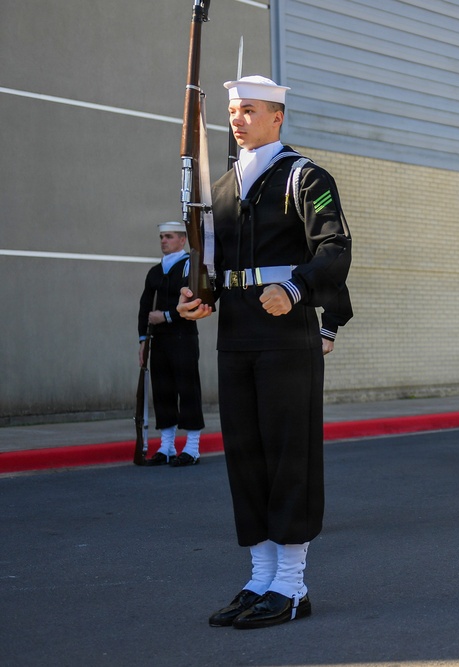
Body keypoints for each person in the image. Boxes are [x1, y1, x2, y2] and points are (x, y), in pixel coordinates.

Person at [178, 75, 353, 629]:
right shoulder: (224, 187)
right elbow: (210, 261)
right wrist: (196, 297)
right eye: (233, 110)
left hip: (286, 331)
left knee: (288, 454)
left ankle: (292, 585)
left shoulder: (305, 177)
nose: (238, 119)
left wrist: (296, 288)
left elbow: (334, 246)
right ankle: (259, 577)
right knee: (246, 454)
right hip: (237, 332)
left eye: (249, 110)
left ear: (277, 117)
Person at [137, 221, 205, 467]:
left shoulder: (189, 266)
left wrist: (166, 316)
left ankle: (192, 447)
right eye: (161, 237)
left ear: (182, 240)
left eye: (168, 236)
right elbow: (145, 308)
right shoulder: (155, 272)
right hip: (161, 340)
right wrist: (143, 340)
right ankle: (167, 446)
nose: (163, 240)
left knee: (187, 389)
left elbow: (196, 301)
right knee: (163, 390)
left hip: (183, 337)